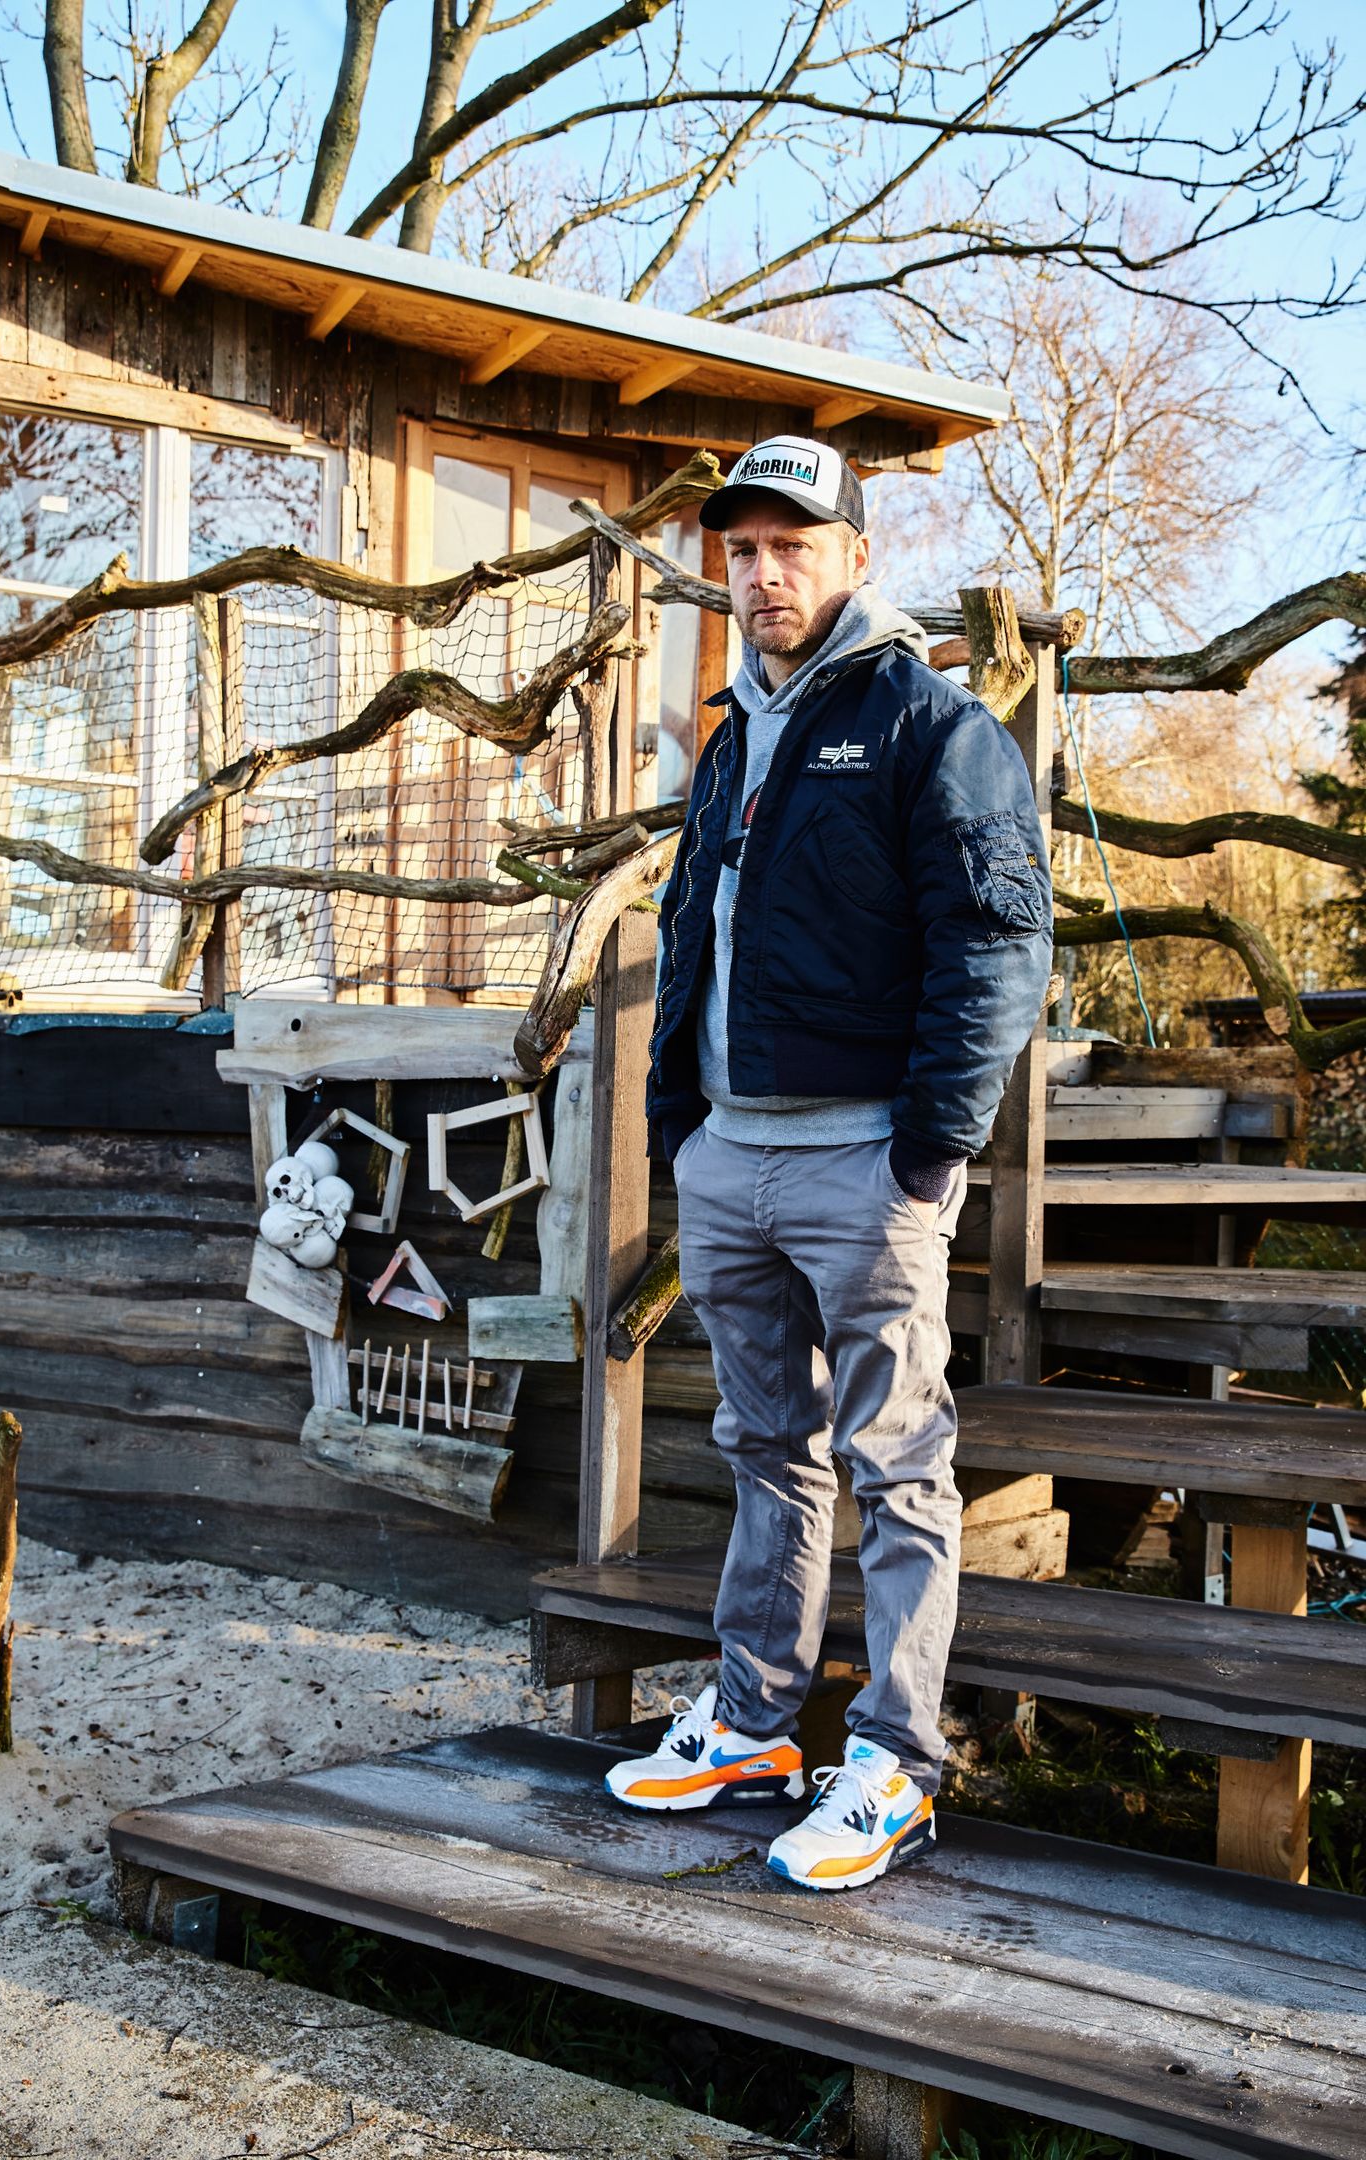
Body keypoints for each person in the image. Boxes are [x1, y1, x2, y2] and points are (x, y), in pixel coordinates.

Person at [602, 434, 1053, 1891]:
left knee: (898, 1465)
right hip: (730, 1158)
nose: (762, 573)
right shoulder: (732, 732)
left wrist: (929, 1146)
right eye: (741, 550)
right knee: (763, 1451)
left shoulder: (932, 725)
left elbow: (998, 943)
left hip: (865, 1163)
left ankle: (896, 1763)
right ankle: (751, 1723)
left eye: (791, 545)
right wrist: (681, 1124)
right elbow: (695, 930)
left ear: (856, 555)